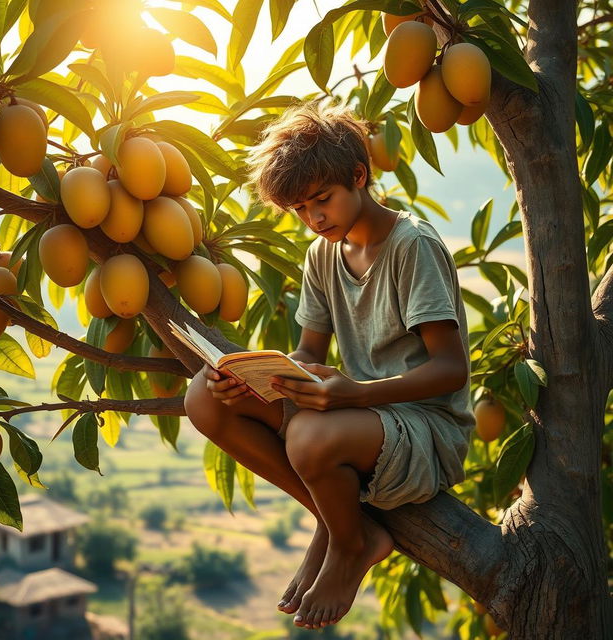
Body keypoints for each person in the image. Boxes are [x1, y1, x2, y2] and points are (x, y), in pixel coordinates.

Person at [184, 100, 475, 630]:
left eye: (323, 200)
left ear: (359, 176)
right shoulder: (323, 253)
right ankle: (331, 515)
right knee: (201, 397)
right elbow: (308, 355)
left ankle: (350, 541)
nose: (314, 218)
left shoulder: (413, 246)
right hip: (358, 419)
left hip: (426, 431)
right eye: (300, 209)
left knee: (309, 438)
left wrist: (354, 395)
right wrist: (249, 374)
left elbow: (451, 370)